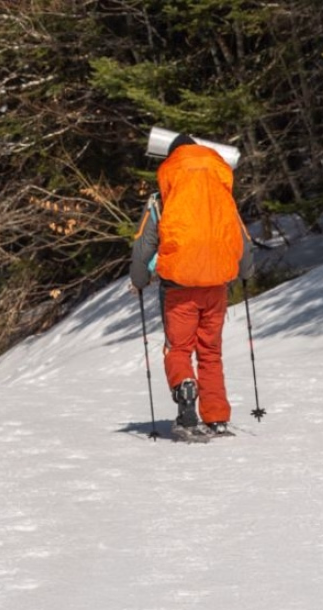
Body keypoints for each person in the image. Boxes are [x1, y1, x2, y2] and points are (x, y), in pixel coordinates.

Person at [130, 135, 254, 442]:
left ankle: (185, 388)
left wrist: (138, 279)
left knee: (179, 348)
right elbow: (241, 239)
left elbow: (145, 242)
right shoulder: (221, 194)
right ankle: (217, 418)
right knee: (210, 352)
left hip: (178, 287)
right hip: (216, 286)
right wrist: (246, 273)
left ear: (172, 162)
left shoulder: (163, 197)